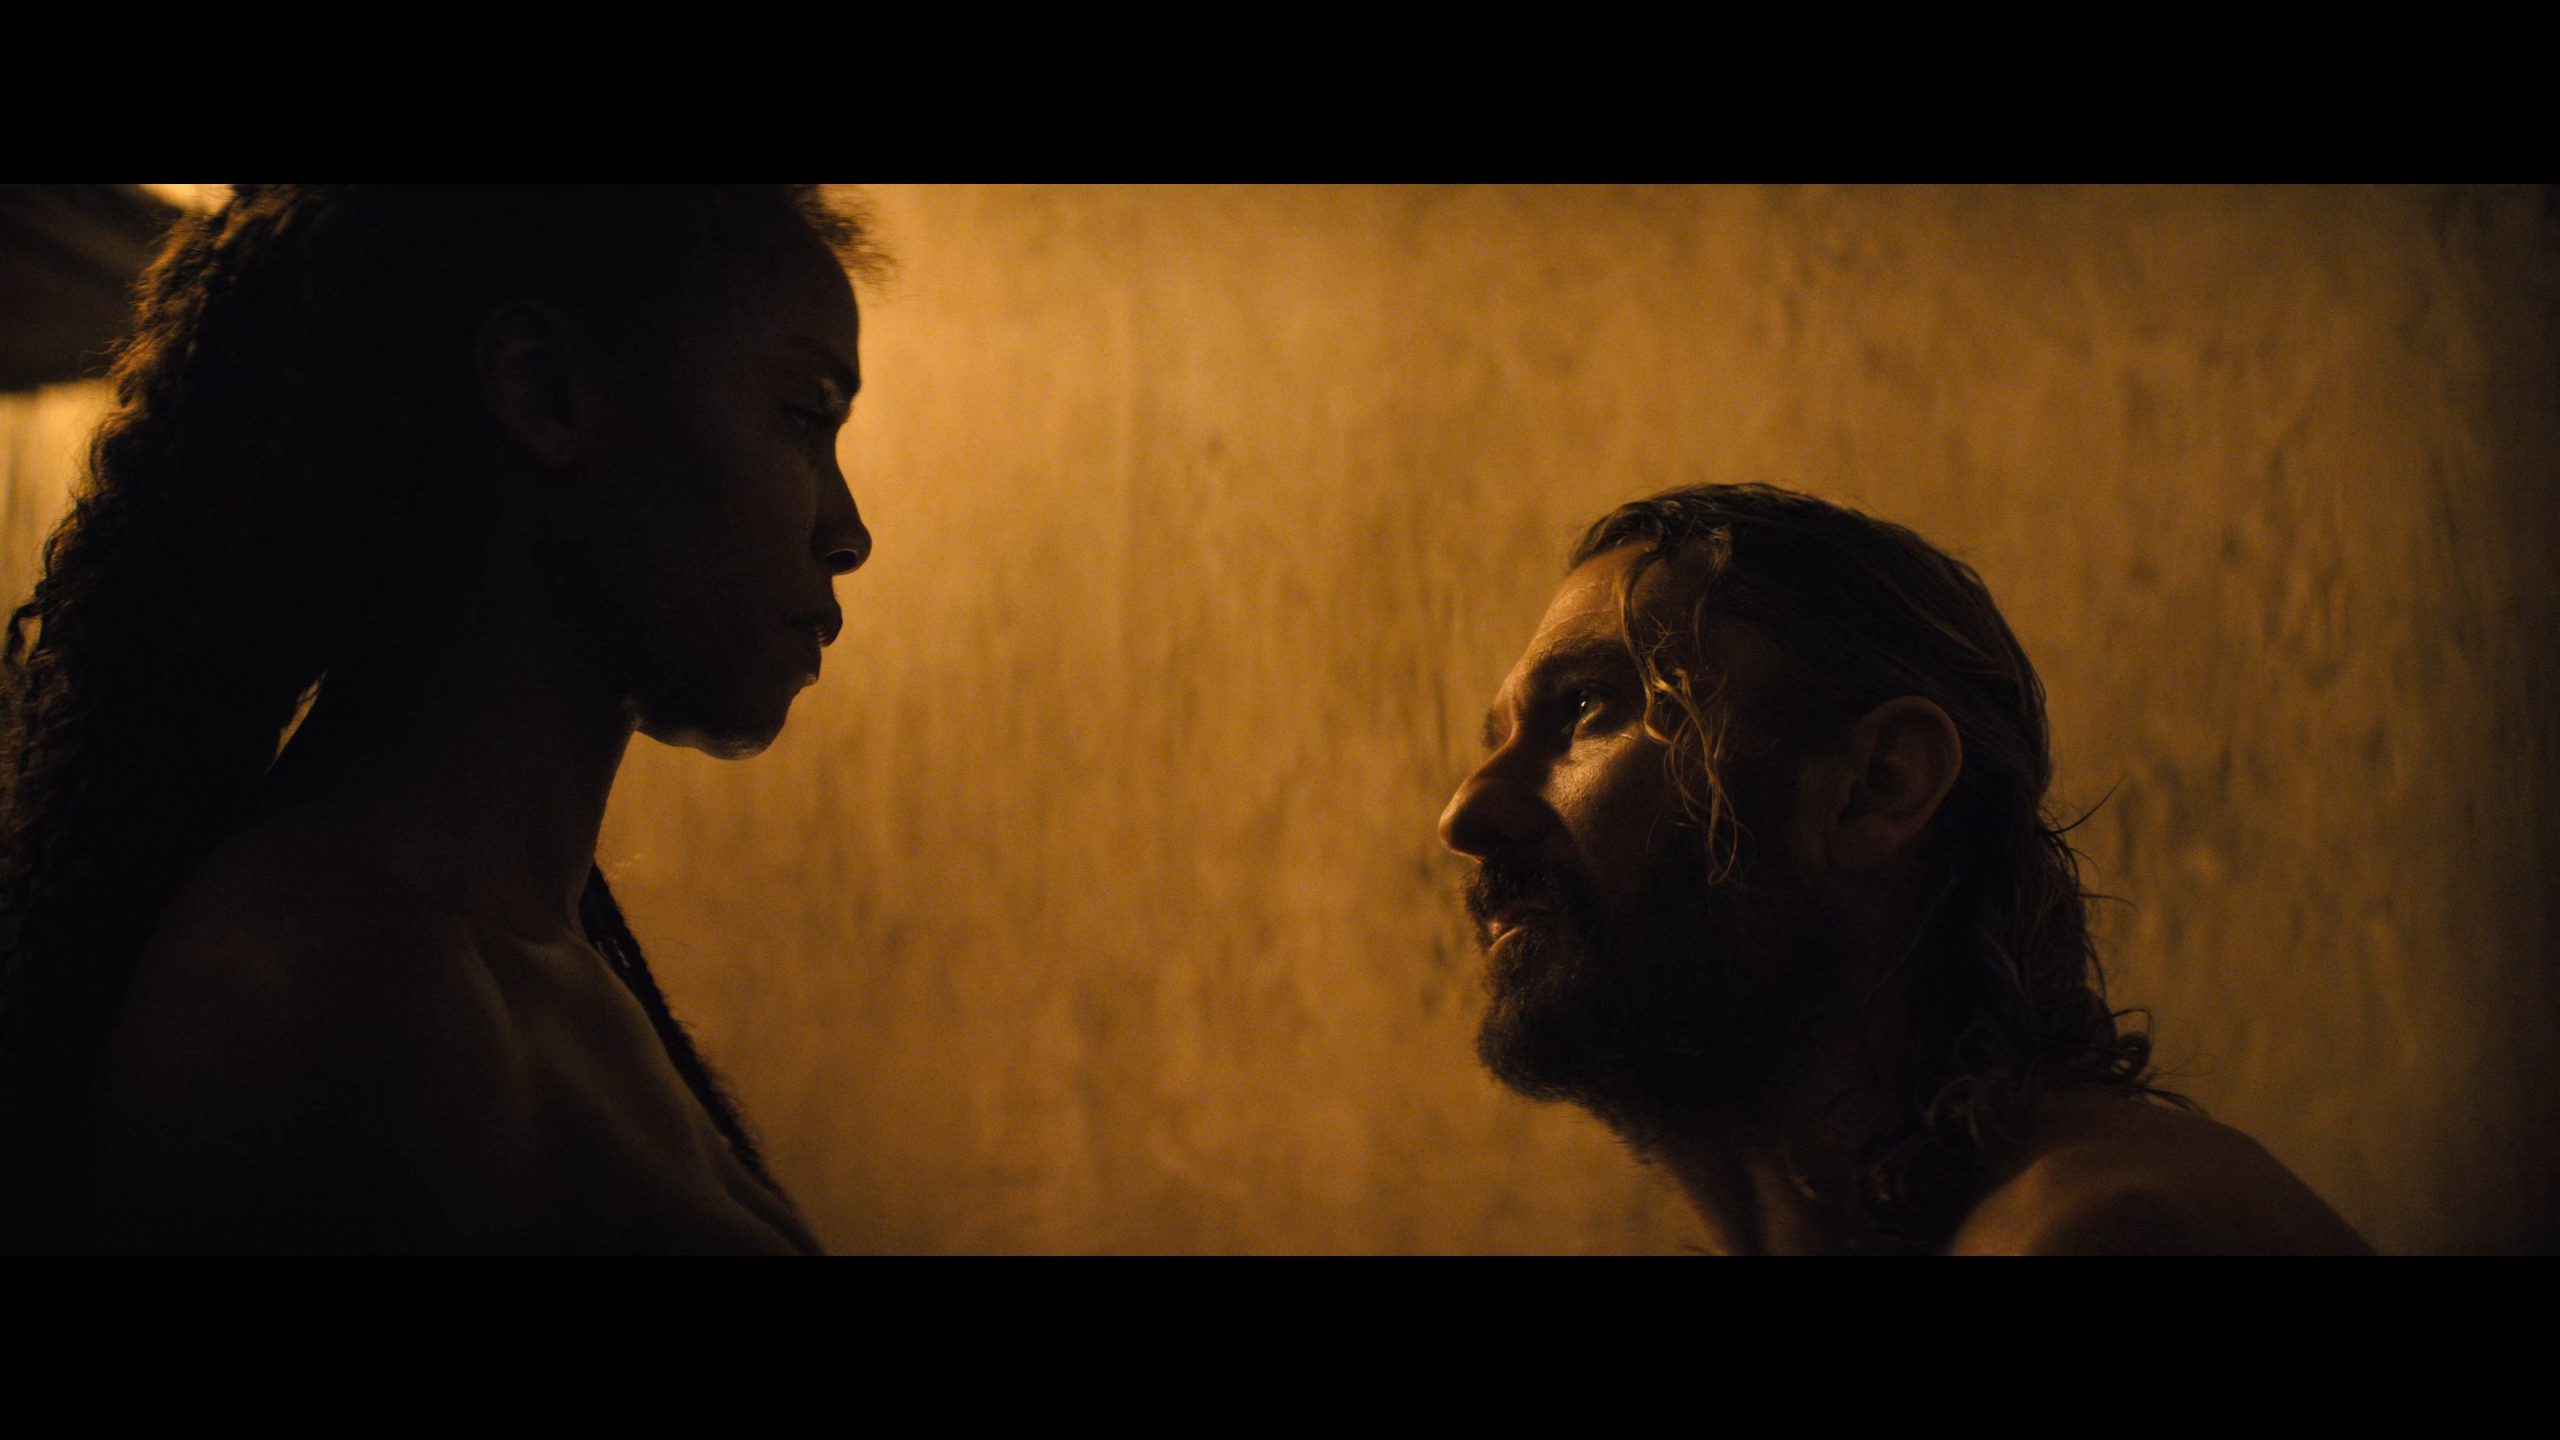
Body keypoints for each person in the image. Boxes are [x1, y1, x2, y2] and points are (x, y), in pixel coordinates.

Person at [0, 185, 878, 1253]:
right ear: (546, 392)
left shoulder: (527, 959)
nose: (849, 532)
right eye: (804, 416)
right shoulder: (323, 995)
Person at [1439, 483, 2372, 1255]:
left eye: (1585, 708)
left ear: (1876, 787)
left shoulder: (2111, 1232)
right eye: (1498, 739)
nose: (1466, 815)